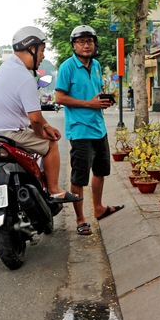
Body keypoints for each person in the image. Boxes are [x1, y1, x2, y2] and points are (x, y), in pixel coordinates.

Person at [0, 26, 81, 251]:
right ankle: (55, 190)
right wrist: (47, 130)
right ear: (32, 48)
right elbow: (35, 119)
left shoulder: (4, 70)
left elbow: (17, 113)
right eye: (43, 50)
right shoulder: (24, 78)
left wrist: (40, 126)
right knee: (51, 144)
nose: (43, 55)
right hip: (7, 135)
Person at [55, 24, 124, 236]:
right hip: (80, 131)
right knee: (78, 178)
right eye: (81, 42)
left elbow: (95, 93)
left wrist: (103, 101)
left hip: (99, 128)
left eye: (90, 41)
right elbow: (60, 97)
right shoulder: (67, 67)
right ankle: (80, 219)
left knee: (101, 172)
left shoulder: (96, 65)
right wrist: (89, 104)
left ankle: (99, 208)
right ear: (74, 45)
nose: (87, 45)